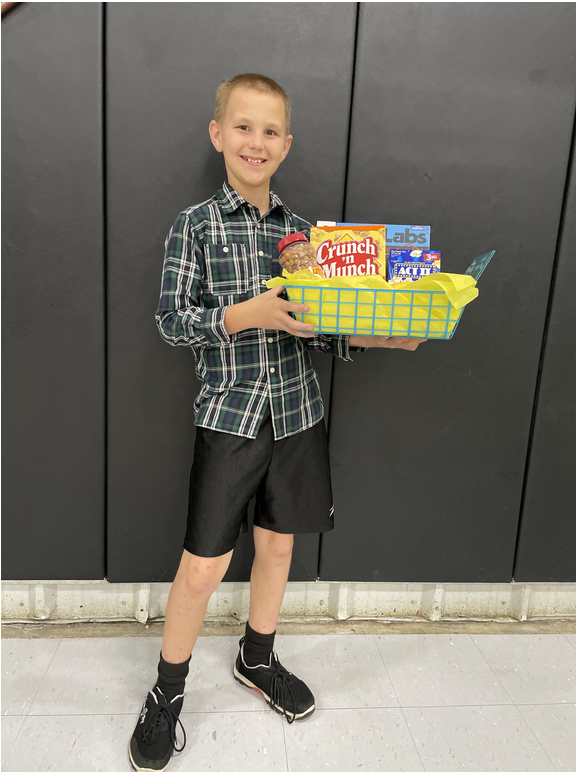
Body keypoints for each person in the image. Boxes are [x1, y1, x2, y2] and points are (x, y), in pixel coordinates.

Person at [129, 72, 425, 772]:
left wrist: (381, 336)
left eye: (269, 131)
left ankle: (255, 659)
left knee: (280, 549)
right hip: (229, 418)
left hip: (296, 417)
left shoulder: (304, 237)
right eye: (242, 127)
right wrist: (243, 314)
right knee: (203, 568)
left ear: (285, 145)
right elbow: (171, 322)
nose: (254, 142)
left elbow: (321, 329)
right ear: (218, 134)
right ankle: (166, 696)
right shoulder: (195, 226)